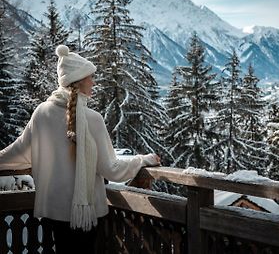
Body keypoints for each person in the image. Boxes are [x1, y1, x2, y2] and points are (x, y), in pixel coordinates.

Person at [0, 45, 160, 253]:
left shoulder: (42, 112)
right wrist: (142, 160)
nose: (93, 82)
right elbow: (111, 169)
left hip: (53, 212)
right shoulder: (92, 119)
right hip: (84, 216)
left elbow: (19, 152)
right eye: (90, 77)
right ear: (79, 80)